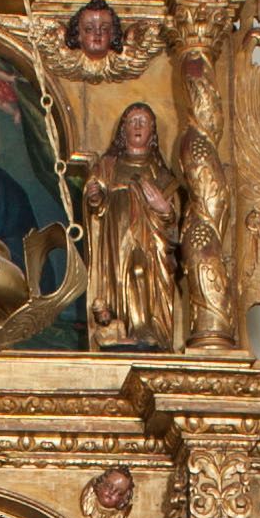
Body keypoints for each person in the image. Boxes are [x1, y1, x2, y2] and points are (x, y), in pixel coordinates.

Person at [84, 102, 181, 347]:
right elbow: (95, 203)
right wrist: (95, 198)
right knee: (122, 278)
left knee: (140, 272)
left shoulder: (161, 174)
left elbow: (174, 225)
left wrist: (164, 209)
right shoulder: (108, 166)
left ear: (152, 132)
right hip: (117, 239)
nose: (138, 126)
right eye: (132, 121)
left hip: (150, 243)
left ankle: (146, 328)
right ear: (123, 129)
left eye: (144, 122)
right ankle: (122, 328)